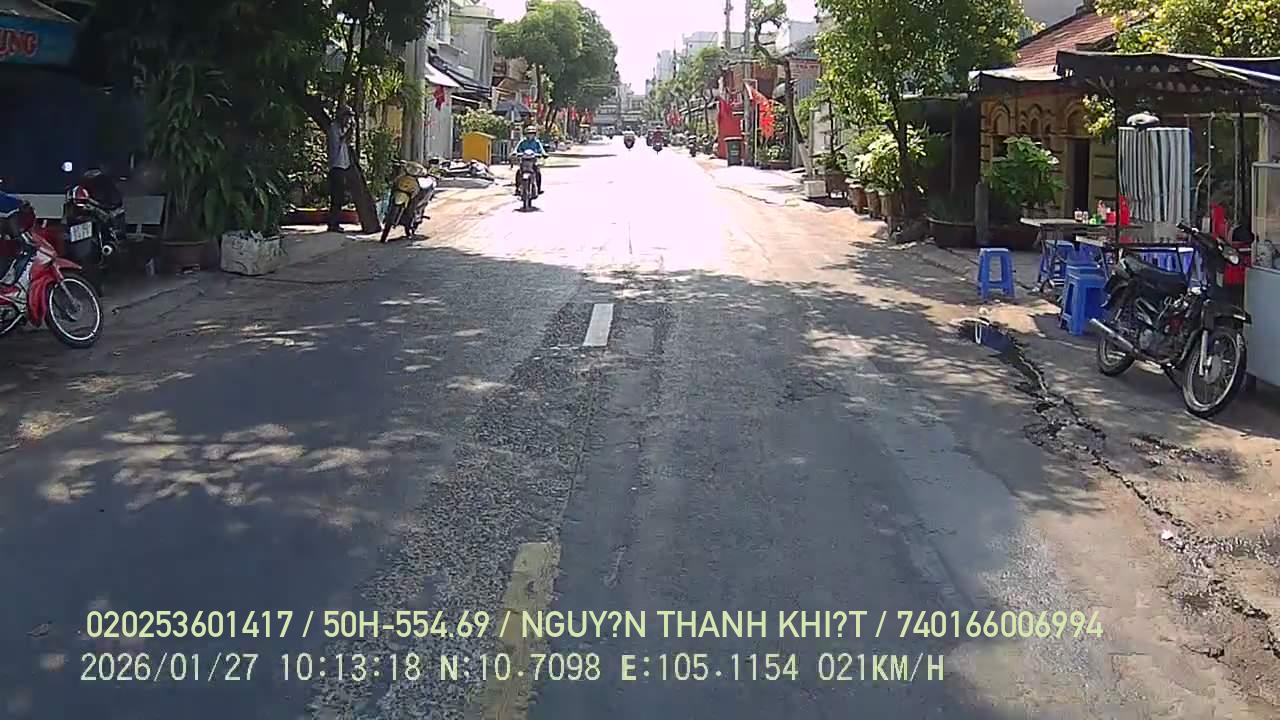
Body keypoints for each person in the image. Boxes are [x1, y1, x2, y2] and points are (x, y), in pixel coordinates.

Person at [327, 106, 355, 232]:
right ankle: (333, 223)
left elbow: (346, 144)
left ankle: (335, 222)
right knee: (336, 197)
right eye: (346, 117)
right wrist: (346, 134)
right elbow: (336, 145)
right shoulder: (334, 128)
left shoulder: (342, 129)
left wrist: (349, 133)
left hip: (343, 165)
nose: (347, 120)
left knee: (340, 196)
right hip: (336, 166)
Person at [513, 126, 546, 196]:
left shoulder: (537, 142)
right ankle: (517, 188)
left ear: (535, 134)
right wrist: (514, 152)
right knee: (518, 172)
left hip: (533, 160)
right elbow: (516, 149)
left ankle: (538, 189)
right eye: (528, 133)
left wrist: (543, 154)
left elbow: (541, 149)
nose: (530, 135)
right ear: (526, 134)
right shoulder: (522, 141)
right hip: (524, 160)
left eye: (532, 133)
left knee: (538, 172)